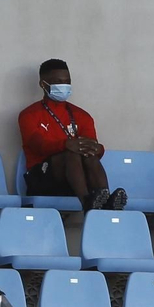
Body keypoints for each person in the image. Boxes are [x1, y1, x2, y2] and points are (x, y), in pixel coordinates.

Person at [17, 59, 125, 211]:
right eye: (58, 82)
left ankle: (105, 199)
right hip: (42, 178)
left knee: (88, 155)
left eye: (67, 82)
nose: (64, 86)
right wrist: (66, 144)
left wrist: (97, 149)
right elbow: (38, 146)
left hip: (74, 179)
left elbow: (91, 145)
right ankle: (87, 202)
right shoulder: (29, 115)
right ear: (43, 84)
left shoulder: (82, 115)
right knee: (71, 154)